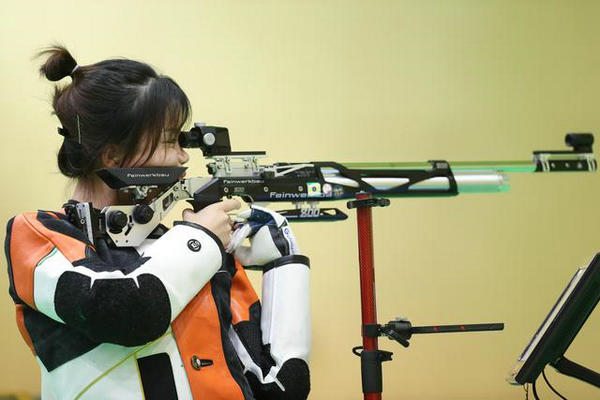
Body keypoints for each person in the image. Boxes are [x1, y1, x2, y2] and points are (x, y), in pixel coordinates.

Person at [4, 46, 311, 400]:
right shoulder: (36, 233)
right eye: (169, 140)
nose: (183, 156)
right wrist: (200, 239)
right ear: (113, 155)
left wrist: (283, 262)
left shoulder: (191, 250)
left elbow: (281, 388)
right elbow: (130, 311)